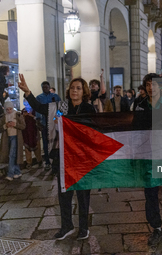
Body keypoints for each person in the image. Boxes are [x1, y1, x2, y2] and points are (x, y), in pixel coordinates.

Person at [18, 74, 96, 241]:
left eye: (78, 88)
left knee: (83, 194)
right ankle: (67, 226)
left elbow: (94, 131)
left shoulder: (89, 109)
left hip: (82, 158)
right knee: (64, 192)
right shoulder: (60, 107)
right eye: (72, 88)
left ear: (84, 92)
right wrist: (27, 92)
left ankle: (83, 228)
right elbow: (39, 107)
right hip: (64, 156)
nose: (74, 90)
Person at [134, 73, 162, 246]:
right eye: (148, 84)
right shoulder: (139, 105)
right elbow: (134, 129)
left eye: (154, 84)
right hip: (148, 154)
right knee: (150, 191)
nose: (151, 87)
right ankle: (156, 226)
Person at [36, 81, 61, 171]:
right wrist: (38, 121)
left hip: (54, 121)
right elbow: (37, 110)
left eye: (46, 87)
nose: (45, 89)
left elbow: (60, 107)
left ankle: (55, 160)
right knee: (46, 142)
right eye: (43, 87)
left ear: (49, 87)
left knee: (55, 141)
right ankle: (47, 161)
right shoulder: (39, 98)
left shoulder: (55, 96)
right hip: (44, 122)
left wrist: (57, 118)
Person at [0, 101, 26, 181]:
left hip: (16, 137)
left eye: (10, 109)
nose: (9, 111)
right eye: (7, 109)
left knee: (12, 155)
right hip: (7, 138)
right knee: (13, 155)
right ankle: (17, 172)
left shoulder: (17, 115)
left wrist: (15, 125)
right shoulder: (3, 116)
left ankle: (10, 174)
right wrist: (5, 125)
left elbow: (23, 126)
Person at [22, 99, 43, 169]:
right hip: (26, 132)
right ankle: (29, 163)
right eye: (25, 103)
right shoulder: (23, 111)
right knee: (27, 148)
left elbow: (39, 119)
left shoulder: (34, 110)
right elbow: (21, 121)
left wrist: (32, 116)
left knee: (37, 147)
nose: (27, 105)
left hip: (34, 131)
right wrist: (24, 116)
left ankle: (39, 161)